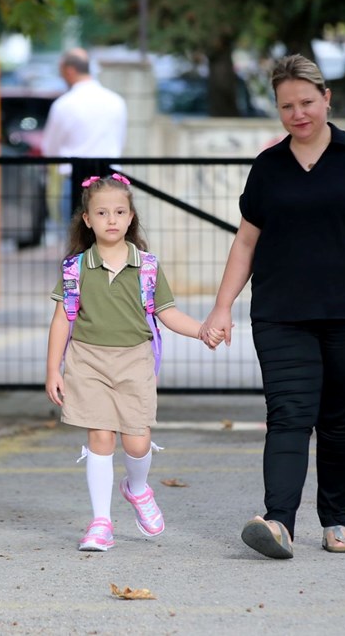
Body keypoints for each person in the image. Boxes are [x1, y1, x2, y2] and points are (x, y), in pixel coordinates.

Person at [199, 54, 345, 559]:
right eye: (286, 106)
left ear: (326, 99)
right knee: (288, 415)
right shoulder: (268, 166)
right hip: (281, 314)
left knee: (340, 420)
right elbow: (246, 243)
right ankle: (278, 522)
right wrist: (221, 307)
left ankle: (335, 521)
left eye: (306, 102)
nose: (297, 113)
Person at [45, 173, 222, 551]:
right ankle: (100, 523)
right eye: (103, 212)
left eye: (120, 211)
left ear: (130, 218)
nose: (112, 219)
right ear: (87, 220)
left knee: (138, 442)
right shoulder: (74, 268)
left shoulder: (148, 267)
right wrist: (52, 370)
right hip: (87, 361)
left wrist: (203, 330)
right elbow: (62, 319)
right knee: (100, 437)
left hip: (135, 362)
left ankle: (137, 488)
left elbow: (168, 314)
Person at [41, 48, 127, 227]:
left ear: (70, 70)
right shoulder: (116, 101)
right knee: (110, 237)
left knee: (75, 242)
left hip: (75, 182)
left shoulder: (63, 105)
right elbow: (120, 140)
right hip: (111, 180)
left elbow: (49, 148)